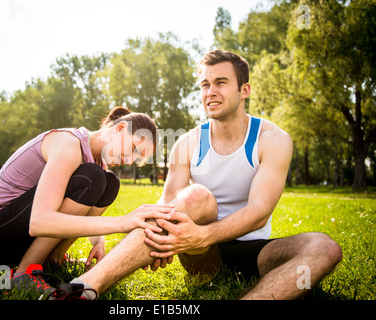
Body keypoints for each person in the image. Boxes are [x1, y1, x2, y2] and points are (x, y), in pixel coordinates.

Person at [49, 50, 343, 301]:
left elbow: (259, 213)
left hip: (253, 251)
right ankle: (85, 286)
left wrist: (201, 233)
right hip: (199, 253)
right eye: (204, 85)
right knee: (197, 195)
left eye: (221, 83)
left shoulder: (274, 139)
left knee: (325, 248)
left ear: (245, 90)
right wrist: (178, 239)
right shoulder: (187, 142)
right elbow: (166, 205)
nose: (210, 92)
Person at [0, 106, 174, 295]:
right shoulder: (69, 144)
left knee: (109, 182)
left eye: (137, 160)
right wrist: (123, 222)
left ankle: (52, 261)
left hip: (13, 238)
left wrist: (98, 239)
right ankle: (25, 273)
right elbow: (40, 222)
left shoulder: (96, 164)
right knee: (93, 177)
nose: (130, 160)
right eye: (134, 149)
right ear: (120, 128)